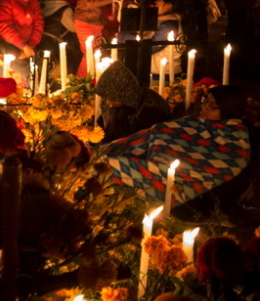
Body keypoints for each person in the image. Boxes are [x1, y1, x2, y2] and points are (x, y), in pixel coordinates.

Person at [104, 85, 251, 215]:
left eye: (213, 106)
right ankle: (102, 157)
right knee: (120, 150)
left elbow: (224, 163)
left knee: (130, 169)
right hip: (156, 153)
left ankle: (104, 164)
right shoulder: (198, 119)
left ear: (228, 110)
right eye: (205, 101)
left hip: (178, 174)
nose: (205, 107)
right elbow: (168, 131)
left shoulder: (235, 135)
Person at [94, 60, 171, 143]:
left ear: (125, 94)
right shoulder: (120, 104)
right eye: (105, 98)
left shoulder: (151, 110)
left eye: (113, 98)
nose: (108, 102)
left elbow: (142, 142)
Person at [0, 0, 43, 83]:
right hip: (10, 43)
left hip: (29, 44)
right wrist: (23, 46)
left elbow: (38, 23)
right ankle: (40, 87)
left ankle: (44, 87)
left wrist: (30, 45)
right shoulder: (6, 0)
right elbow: (4, 27)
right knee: (27, 71)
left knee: (40, 66)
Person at [39, 0, 81, 74]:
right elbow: (73, 28)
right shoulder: (65, 9)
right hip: (57, 42)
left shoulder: (48, 5)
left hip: (45, 41)